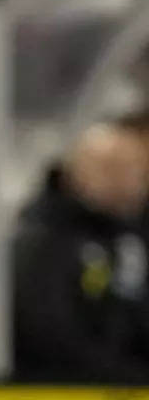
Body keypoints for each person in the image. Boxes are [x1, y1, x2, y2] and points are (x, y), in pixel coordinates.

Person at [13, 122, 149, 382]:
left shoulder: (128, 241)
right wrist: (126, 375)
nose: (134, 183)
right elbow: (51, 334)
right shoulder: (43, 240)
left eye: (139, 173)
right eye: (120, 170)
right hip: (54, 393)